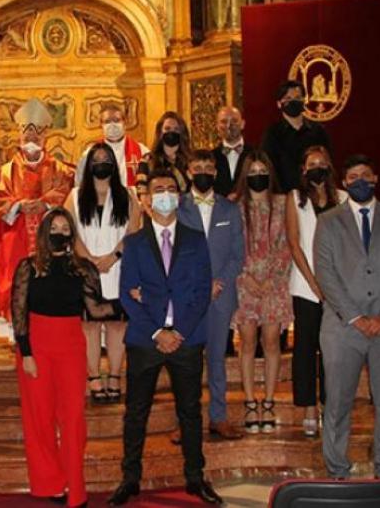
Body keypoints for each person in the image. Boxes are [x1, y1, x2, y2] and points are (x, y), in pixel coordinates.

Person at [109, 170, 222, 505]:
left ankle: (195, 477)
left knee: (189, 410)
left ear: (180, 197)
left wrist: (179, 332)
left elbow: (202, 291)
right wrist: (159, 331)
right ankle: (130, 479)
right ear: (146, 200)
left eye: (172, 189)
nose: (165, 195)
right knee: (136, 412)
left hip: (187, 338)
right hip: (147, 338)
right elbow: (127, 294)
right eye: (158, 190)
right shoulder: (133, 242)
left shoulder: (196, 238)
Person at [315, 154, 380, 479]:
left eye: (365, 175)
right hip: (342, 328)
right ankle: (337, 471)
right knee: (337, 405)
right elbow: (326, 274)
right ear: (344, 183)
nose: (360, 180)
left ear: (375, 179)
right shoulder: (328, 221)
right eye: (353, 176)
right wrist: (356, 317)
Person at [12, 208, 114, 507]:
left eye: (65, 228)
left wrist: (132, 304)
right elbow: (18, 314)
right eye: (54, 227)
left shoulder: (83, 269)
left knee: (72, 419)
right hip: (36, 347)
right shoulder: (28, 267)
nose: (59, 232)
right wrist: (26, 352)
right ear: (44, 232)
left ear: (71, 234)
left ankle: (76, 488)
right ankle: (50, 483)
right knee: (39, 419)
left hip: (71, 345)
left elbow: (96, 309)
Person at [0, 98, 75, 334]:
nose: (32, 143)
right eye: (27, 139)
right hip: (16, 237)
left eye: (36, 139)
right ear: (20, 140)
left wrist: (45, 204)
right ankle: (15, 330)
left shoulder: (60, 169)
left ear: (45, 139)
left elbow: (67, 191)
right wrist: (19, 206)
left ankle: (49, 323)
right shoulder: (5, 172)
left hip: (48, 236)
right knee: (16, 279)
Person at [64, 143, 142, 403]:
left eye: (105, 158)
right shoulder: (75, 196)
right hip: (86, 270)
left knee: (117, 325)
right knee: (90, 326)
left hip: (119, 267)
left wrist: (112, 257)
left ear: (113, 164)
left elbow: (133, 231)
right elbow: (70, 231)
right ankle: (94, 375)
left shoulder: (128, 195)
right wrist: (89, 260)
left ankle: (115, 375)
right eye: (96, 159)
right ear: (88, 165)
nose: (101, 163)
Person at [177, 150, 245, 440]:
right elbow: (172, 251)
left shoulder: (230, 210)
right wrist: (197, 285)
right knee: (187, 361)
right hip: (187, 296)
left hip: (220, 295)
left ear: (215, 173)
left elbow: (237, 255)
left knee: (216, 359)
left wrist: (219, 282)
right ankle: (186, 422)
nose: (203, 171)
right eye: (197, 167)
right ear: (189, 171)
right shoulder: (177, 207)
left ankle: (219, 417)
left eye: (208, 167)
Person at [285, 145, 346, 438]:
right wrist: (314, 283)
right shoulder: (295, 199)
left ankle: (329, 407)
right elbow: (294, 243)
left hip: (338, 287)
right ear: (303, 169)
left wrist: (333, 283)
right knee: (306, 349)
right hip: (306, 286)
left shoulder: (344, 199)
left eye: (322, 163)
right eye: (311, 164)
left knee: (333, 351)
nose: (316, 168)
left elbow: (350, 245)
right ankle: (308, 408)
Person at [232, 149, 292, 434]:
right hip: (244, 282)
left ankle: (268, 400)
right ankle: (249, 400)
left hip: (274, 282)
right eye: (252, 173)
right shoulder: (235, 206)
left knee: (271, 341)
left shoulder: (282, 204)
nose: (258, 177)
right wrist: (246, 277)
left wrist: (272, 278)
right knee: (246, 341)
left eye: (262, 173)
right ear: (245, 176)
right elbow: (231, 247)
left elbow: (289, 242)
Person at [260, 80, 332, 193]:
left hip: (316, 194)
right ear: (279, 103)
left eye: (298, 97)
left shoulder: (318, 131)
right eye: (288, 98)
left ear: (304, 100)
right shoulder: (272, 133)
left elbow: (328, 164)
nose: (293, 101)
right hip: (284, 195)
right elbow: (268, 168)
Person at [73, 104, 149, 189]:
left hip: (132, 200)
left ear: (125, 122)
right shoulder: (90, 153)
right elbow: (80, 184)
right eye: (107, 121)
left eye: (116, 120)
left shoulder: (142, 151)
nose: (112, 125)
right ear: (101, 124)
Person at [136, 111, 192, 198]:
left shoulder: (190, 160)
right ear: (160, 132)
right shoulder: (147, 160)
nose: (171, 132)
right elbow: (141, 191)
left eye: (176, 129)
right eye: (167, 129)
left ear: (182, 133)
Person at [212, 107, 250, 198]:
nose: (229, 125)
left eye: (234, 121)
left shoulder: (255, 154)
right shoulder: (211, 157)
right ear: (217, 126)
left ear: (243, 124)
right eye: (224, 121)